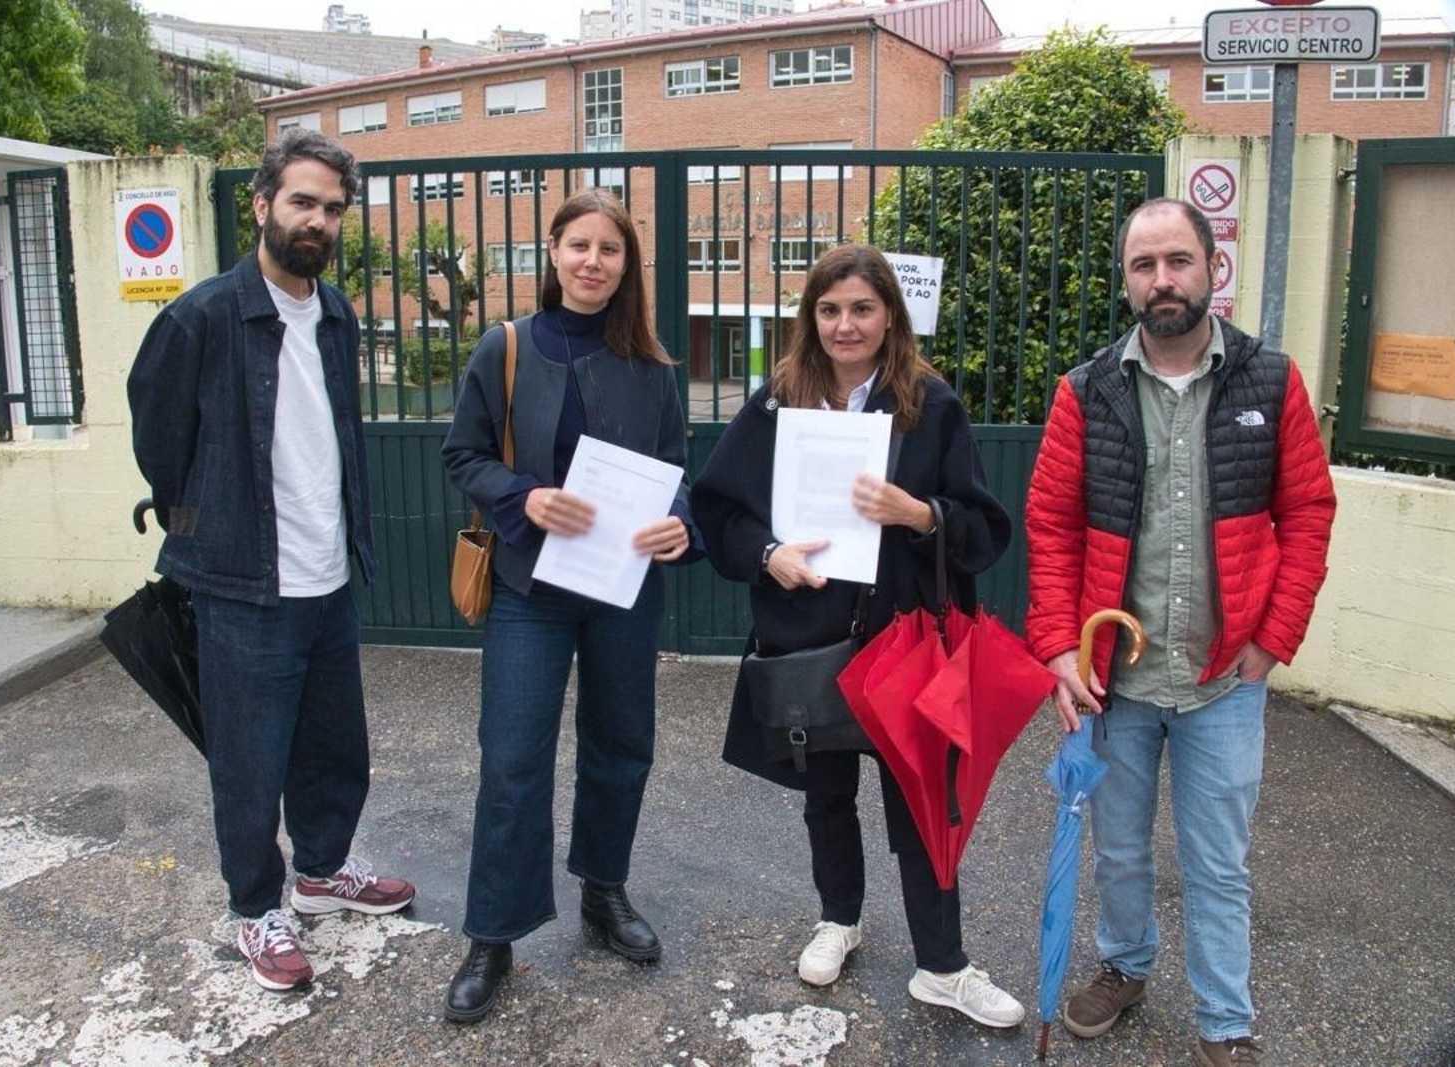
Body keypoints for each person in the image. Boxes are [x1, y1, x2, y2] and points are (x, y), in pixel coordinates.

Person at [1024, 198, 1337, 1067]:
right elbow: (1052, 524)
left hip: (1223, 679)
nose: (1162, 280)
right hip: (1115, 681)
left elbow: (1308, 512)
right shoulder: (1085, 391)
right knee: (1120, 849)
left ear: (1212, 268)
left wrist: (1272, 639)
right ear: (1127, 281)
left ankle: (1225, 1021)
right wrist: (1058, 648)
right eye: (1143, 265)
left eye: (1178, 261)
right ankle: (1125, 967)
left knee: (1218, 861)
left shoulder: (1270, 381)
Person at [691, 244, 1025, 1028]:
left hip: (906, 644)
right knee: (826, 795)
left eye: (862, 309)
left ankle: (942, 963)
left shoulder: (930, 405)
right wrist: (768, 556)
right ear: (811, 317)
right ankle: (838, 918)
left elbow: (983, 529)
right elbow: (718, 512)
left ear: (890, 316)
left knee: (921, 805)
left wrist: (920, 513)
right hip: (811, 637)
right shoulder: (778, 403)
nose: (846, 325)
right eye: (830, 309)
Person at [127, 128, 415, 993]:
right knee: (248, 759)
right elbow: (159, 440)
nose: (318, 220)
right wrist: (206, 529)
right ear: (261, 206)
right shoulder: (201, 316)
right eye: (302, 201)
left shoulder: (336, 315)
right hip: (243, 582)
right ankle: (255, 905)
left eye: (332, 208)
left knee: (334, 744)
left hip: (328, 572)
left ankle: (321, 872)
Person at [440, 188, 699, 1024]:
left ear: (627, 265)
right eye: (579, 245)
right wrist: (523, 496)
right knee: (513, 756)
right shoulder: (508, 345)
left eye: (609, 249)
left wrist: (681, 521)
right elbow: (463, 453)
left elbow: (676, 467)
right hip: (530, 589)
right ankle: (493, 933)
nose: (593, 261)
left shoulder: (653, 366)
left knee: (622, 744)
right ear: (553, 250)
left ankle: (603, 889)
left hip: (623, 588)